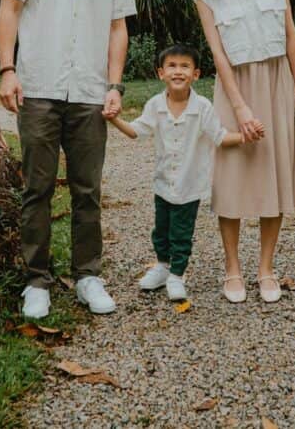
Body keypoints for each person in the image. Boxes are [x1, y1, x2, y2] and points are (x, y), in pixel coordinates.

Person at [0, 0, 143, 319]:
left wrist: (115, 83)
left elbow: (118, 28)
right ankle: (36, 280)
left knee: (88, 189)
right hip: (38, 83)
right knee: (37, 188)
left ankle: (87, 276)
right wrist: (7, 69)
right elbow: (10, 7)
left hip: (89, 92)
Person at [191, 0, 295, 304]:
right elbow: (218, 54)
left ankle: (266, 269)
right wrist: (240, 108)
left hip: (276, 82)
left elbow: (290, 34)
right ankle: (232, 269)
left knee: (272, 172)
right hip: (234, 87)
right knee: (232, 176)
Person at [105, 44, 262, 302]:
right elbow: (137, 131)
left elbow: (220, 137)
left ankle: (177, 275)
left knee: (181, 233)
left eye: (185, 66)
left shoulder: (202, 107)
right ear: (161, 73)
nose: (178, 72)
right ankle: (163, 267)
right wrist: (114, 120)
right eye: (172, 66)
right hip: (163, 184)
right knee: (161, 230)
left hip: (190, 186)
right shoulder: (155, 105)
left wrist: (246, 136)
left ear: (196, 74)